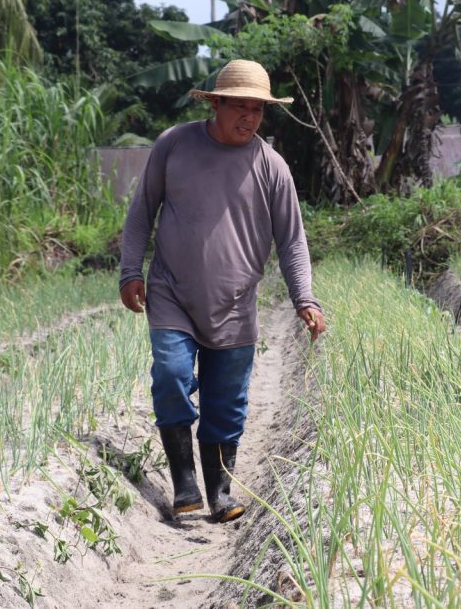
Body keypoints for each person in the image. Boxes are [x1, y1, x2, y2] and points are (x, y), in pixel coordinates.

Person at [119, 59, 326, 523]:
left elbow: (292, 239)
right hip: (171, 291)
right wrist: (130, 270)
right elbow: (141, 211)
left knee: (226, 403)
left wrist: (304, 299)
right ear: (215, 103)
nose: (249, 118)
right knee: (171, 376)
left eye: (258, 109)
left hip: (235, 304)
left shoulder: (271, 167)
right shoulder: (175, 144)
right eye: (239, 107)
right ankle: (184, 481)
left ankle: (220, 489)